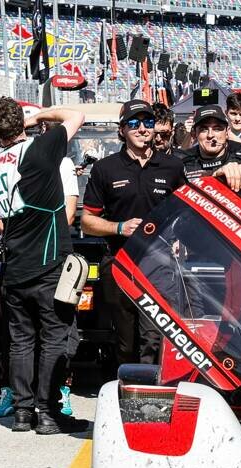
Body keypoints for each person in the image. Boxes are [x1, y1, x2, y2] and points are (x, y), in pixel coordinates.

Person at [0, 97, 88, 434]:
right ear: (21, 124)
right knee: (55, 338)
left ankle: (23, 412)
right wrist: (38, 115)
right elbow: (76, 114)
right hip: (49, 261)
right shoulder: (39, 150)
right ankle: (47, 412)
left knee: (21, 341)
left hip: (15, 265)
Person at [80, 99, 186, 365]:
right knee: (125, 341)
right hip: (118, 261)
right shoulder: (106, 168)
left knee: (153, 338)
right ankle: (125, 391)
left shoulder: (172, 166)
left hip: (159, 263)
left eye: (148, 122)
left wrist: (179, 241)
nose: (142, 129)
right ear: (122, 130)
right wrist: (119, 227)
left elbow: (185, 214)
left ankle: (150, 397)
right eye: (134, 123)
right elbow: (87, 221)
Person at [179, 104, 241, 186]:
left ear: (227, 132)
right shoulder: (182, 164)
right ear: (194, 133)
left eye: (217, 129)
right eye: (203, 129)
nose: (210, 135)